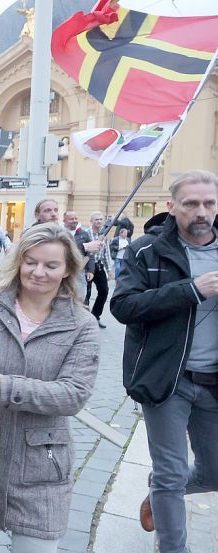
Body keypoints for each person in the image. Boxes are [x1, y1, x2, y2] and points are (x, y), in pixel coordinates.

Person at [0, 222, 99, 553]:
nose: (38, 272)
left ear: (68, 268)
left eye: (51, 265)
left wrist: (4, 386)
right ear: (18, 262)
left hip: (41, 460)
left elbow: (73, 394)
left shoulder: (81, 325)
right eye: (31, 261)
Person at [110, 170, 218, 553]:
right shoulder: (147, 250)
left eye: (209, 203)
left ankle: (160, 493)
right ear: (172, 207)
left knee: (213, 471)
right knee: (171, 473)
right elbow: (123, 306)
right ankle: (172, 545)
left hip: (213, 382)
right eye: (191, 203)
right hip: (167, 380)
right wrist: (190, 289)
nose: (201, 211)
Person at [85, 211, 111, 328]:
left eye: (101, 219)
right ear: (91, 221)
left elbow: (106, 253)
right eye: (96, 219)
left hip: (99, 266)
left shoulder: (104, 235)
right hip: (87, 267)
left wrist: (109, 270)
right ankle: (85, 319)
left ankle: (95, 316)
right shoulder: (86, 234)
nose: (99, 221)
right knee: (87, 293)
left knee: (104, 291)